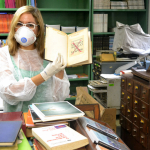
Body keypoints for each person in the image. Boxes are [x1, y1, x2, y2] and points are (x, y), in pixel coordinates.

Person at [0, 6, 70, 112]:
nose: (24, 29)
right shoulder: (4, 54)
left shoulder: (49, 55)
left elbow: (60, 97)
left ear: (38, 30)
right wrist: (46, 74)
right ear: (14, 28)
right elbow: (10, 93)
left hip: (45, 121)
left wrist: (60, 68)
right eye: (19, 24)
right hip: (17, 124)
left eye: (30, 25)